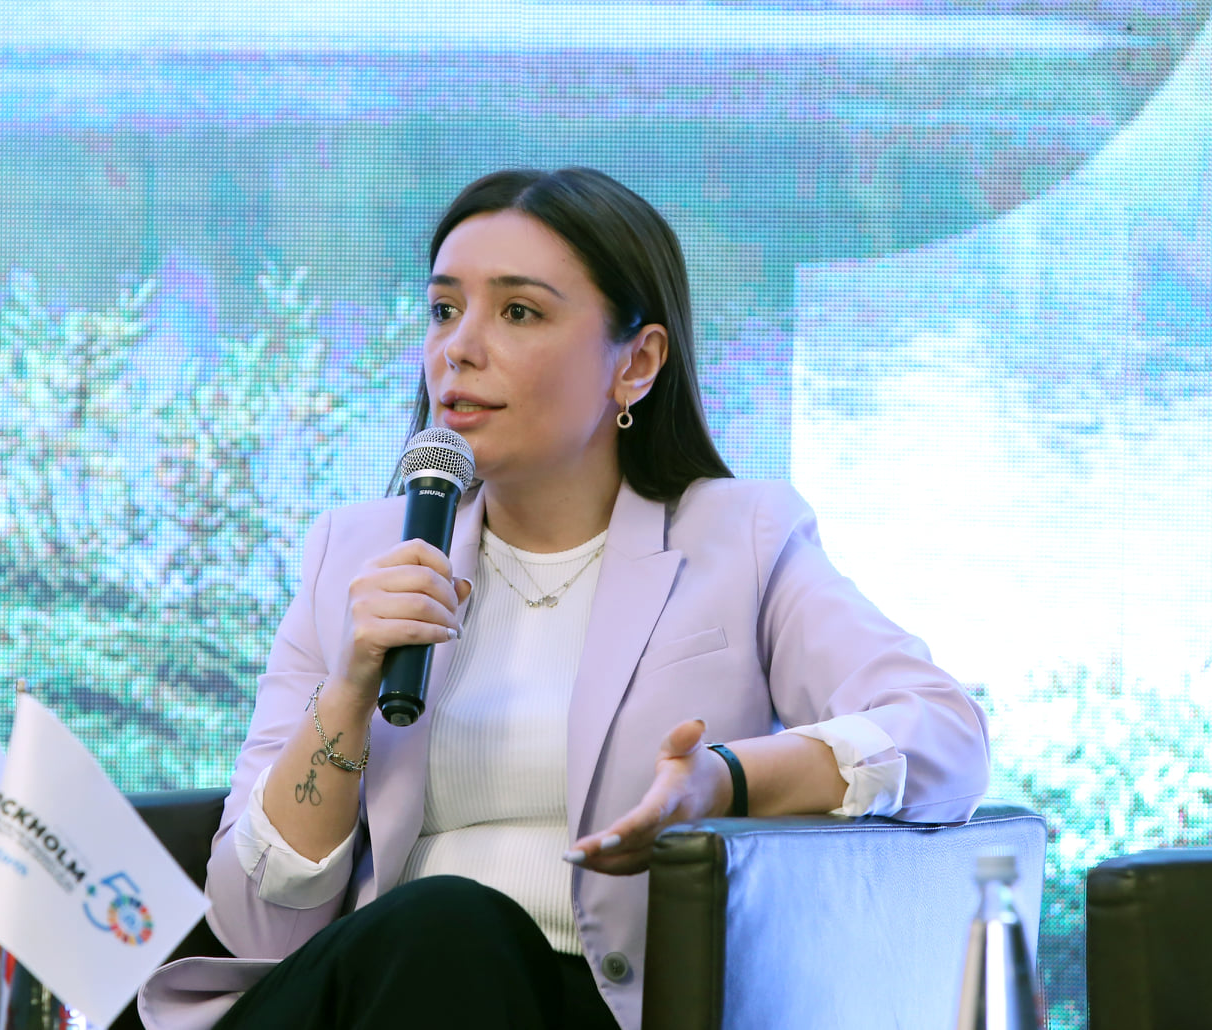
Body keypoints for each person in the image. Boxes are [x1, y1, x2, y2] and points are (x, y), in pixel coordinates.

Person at [139, 167, 990, 1030]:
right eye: (443, 309)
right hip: (366, 996)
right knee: (441, 924)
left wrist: (724, 782)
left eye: (518, 312)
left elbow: (943, 733)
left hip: (589, 1008)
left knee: (453, 925)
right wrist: (350, 690)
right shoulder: (355, 555)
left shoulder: (740, 540)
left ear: (637, 363)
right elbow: (255, 923)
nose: (457, 348)